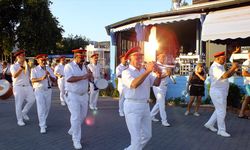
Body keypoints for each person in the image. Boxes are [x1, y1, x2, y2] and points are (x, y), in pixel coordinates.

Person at [122, 46, 161, 150]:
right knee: (136, 139)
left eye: (141, 56)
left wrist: (159, 74)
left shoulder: (143, 70)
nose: (140, 58)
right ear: (130, 58)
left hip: (144, 105)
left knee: (147, 135)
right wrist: (148, 71)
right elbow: (134, 84)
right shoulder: (126, 72)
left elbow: (156, 83)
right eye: (137, 56)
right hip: (132, 106)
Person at [204, 51, 238, 137]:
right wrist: (233, 68)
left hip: (221, 92)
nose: (224, 60)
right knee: (221, 111)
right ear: (217, 58)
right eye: (223, 59)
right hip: (217, 92)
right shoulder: (215, 67)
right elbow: (224, 76)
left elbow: (227, 75)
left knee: (219, 110)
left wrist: (234, 70)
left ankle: (209, 124)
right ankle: (221, 130)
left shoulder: (220, 66)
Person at [64, 49, 92, 149]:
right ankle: (76, 140)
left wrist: (90, 76)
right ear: (75, 56)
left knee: (83, 116)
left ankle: (73, 129)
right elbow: (69, 79)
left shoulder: (85, 66)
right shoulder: (69, 66)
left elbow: (89, 78)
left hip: (84, 95)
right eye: (81, 57)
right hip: (73, 95)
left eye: (83, 57)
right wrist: (84, 76)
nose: (82, 58)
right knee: (75, 117)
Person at [31, 54, 56, 134]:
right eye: (42, 60)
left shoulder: (48, 68)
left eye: (45, 60)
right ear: (38, 61)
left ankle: (43, 121)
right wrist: (41, 78)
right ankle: (42, 125)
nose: (44, 62)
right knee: (41, 108)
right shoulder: (34, 70)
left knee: (47, 108)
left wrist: (49, 75)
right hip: (39, 90)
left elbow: (54, 79)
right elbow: (32, 80)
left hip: (48, 90)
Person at [10, 50, 36, 126]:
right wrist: (21, 68)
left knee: (32, 100)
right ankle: (19, 120)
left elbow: (28, 76)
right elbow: (14, 75)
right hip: (18, 87)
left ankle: (23, 112)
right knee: (19, 104)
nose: (24, 56)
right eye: (23, 55)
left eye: (24, 55)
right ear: (18, 57)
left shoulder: (26, 64)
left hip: (27, 86)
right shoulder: (13, 66)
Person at [150, 51, 176, 127]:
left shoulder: (164, 65)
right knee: (162, 104)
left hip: (164, 86)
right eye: (162, 57)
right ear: (158, 57)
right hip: (158, 87)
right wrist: (166, 74)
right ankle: (164, 121)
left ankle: (150, 116)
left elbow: (168, 74)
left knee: (159, 103)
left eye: (164, 57)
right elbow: (155, 78)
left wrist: (169, 75)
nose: (163, 58)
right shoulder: (156, 66)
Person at [238, 50, 250, 119]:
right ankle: (241, 113)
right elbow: (244, 73)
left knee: (247, 98)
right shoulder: (246, 62)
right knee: (247, 98)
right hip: (248, 83)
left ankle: (241, 113)